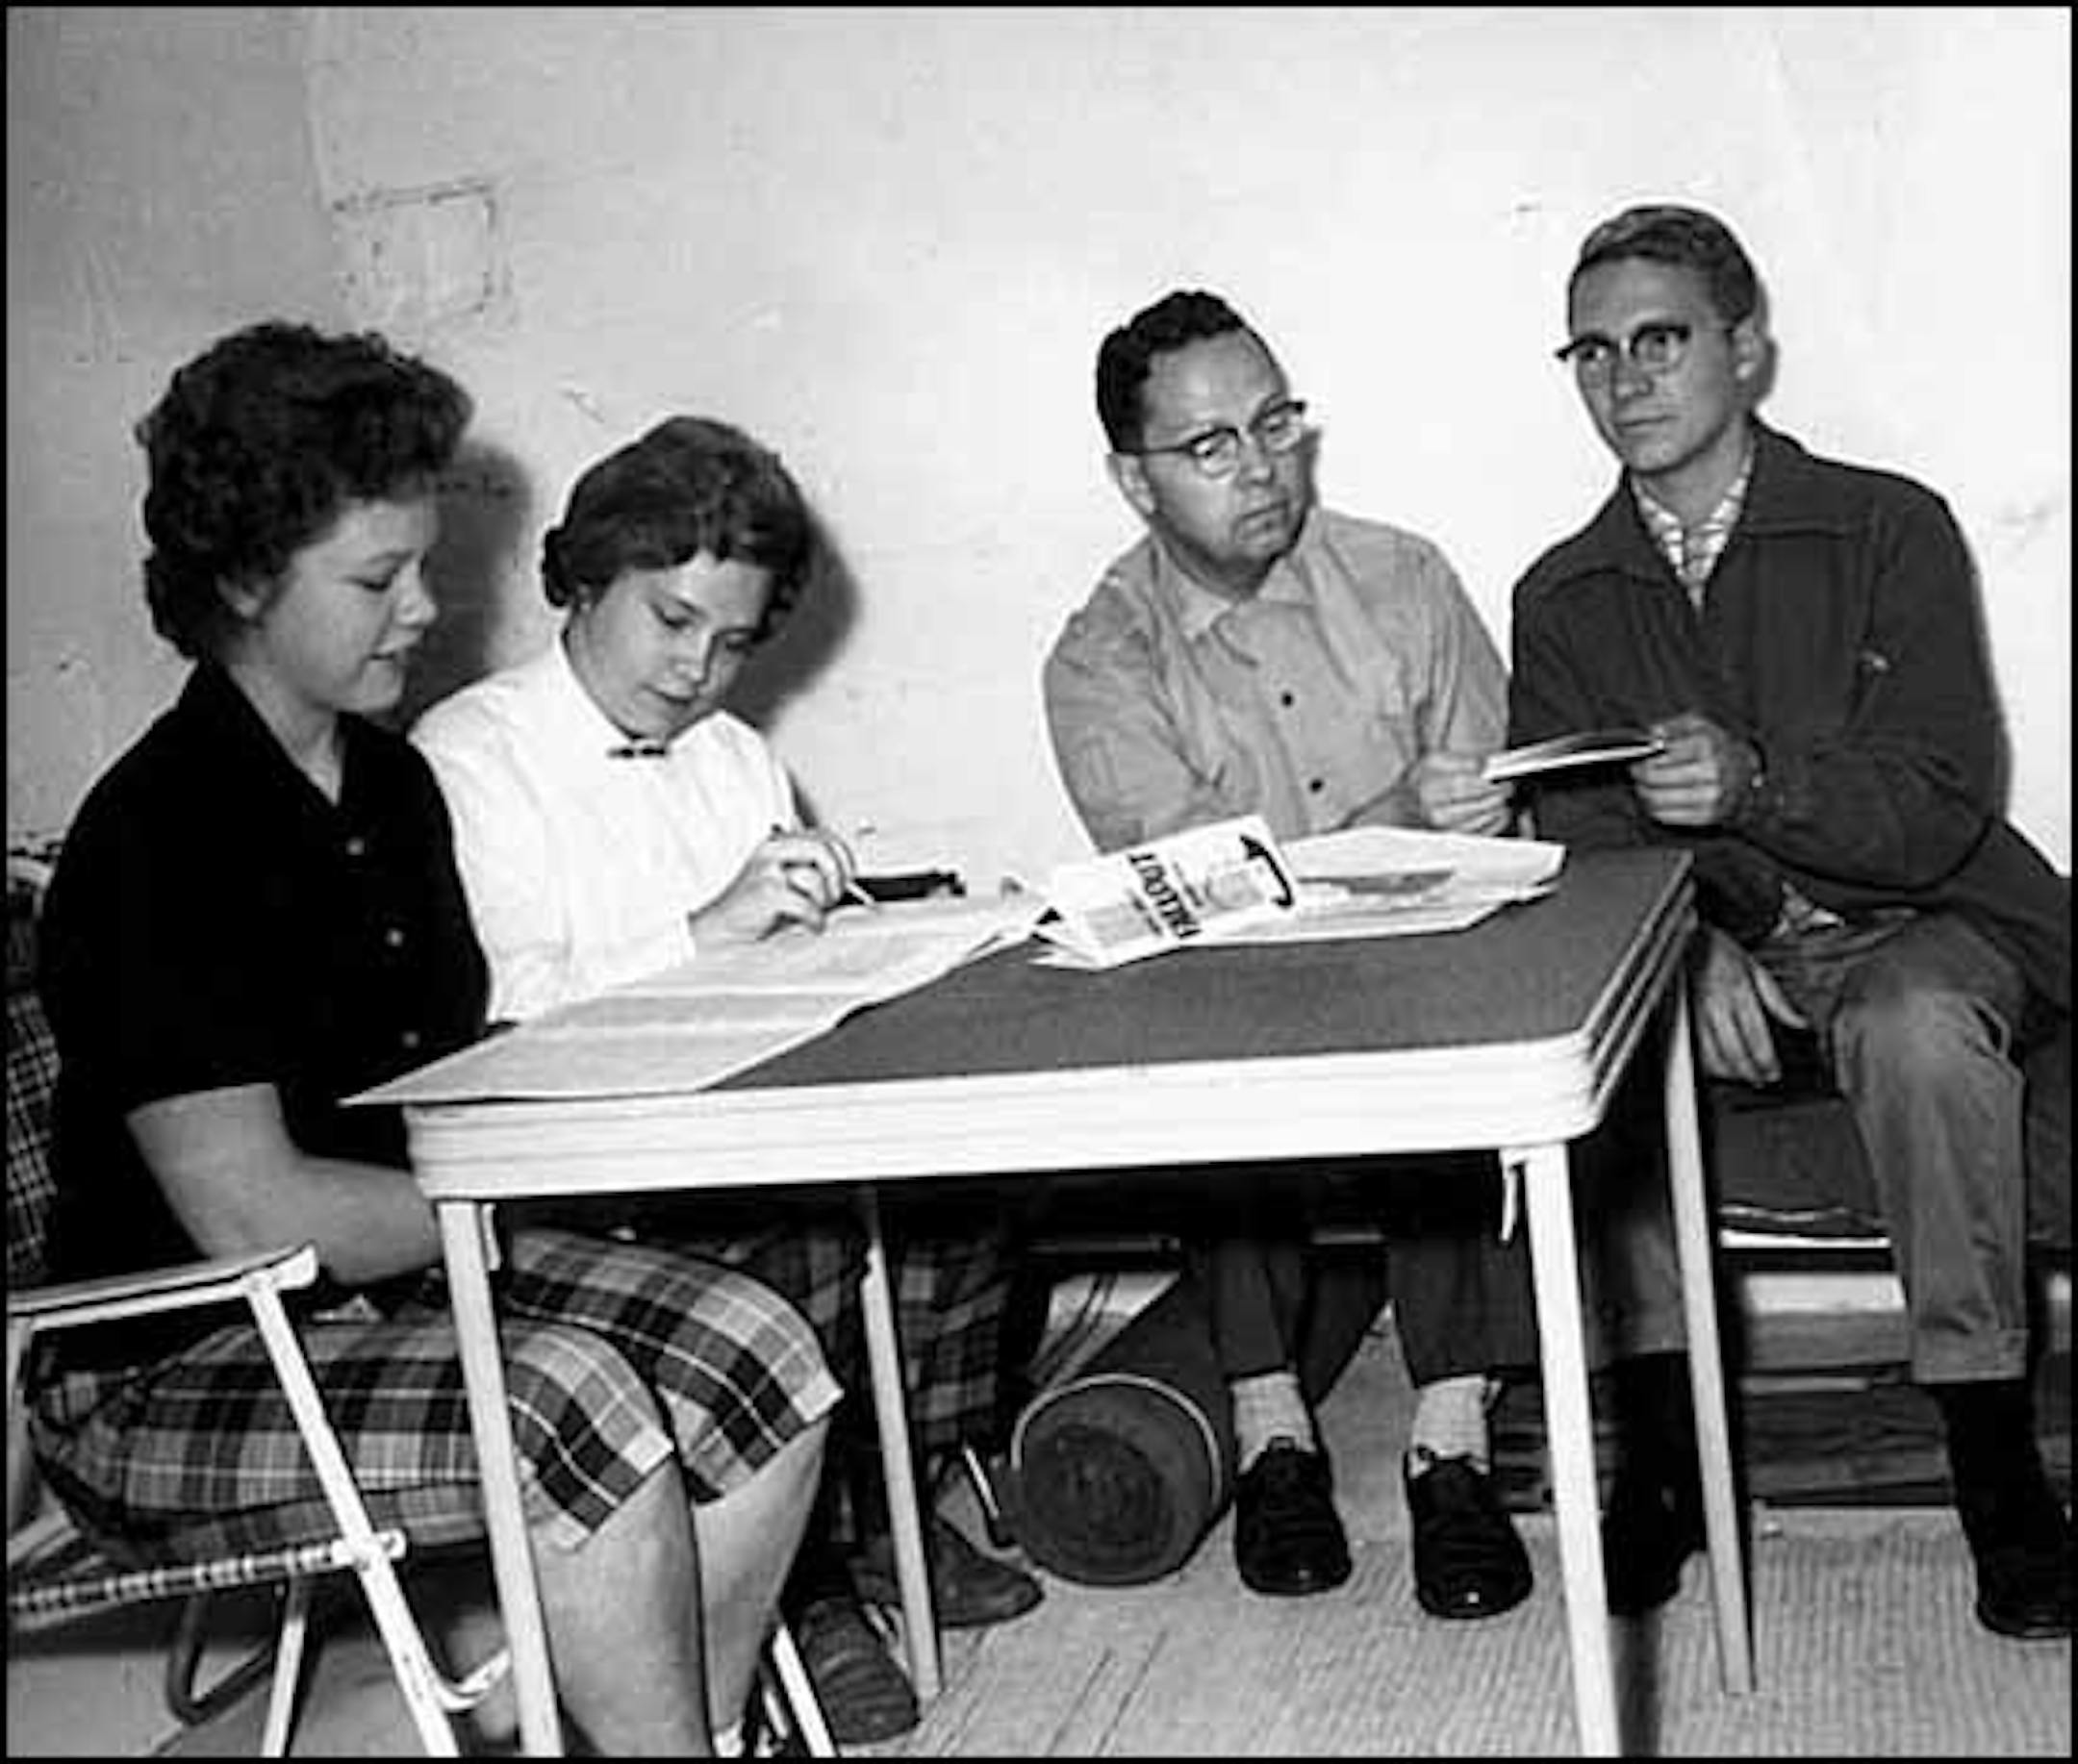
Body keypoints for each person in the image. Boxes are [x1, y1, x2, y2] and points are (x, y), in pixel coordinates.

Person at [29, 320, 842, 1756]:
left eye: (424, 566)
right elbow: (255, 1214)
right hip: (176, 1353)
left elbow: (461, 1075)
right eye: (377, 579)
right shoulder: (159, 839)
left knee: (763, 1352)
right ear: (242, 581)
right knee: (574, 1405)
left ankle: (675, 1734)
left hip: (391, 1278)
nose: (423, 607)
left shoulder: (394, 790)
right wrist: (533, 1198)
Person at [412, 413, 1042, 1743]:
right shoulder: (471, 753)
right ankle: (804, 1585)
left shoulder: (737, 757)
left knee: (961, 1195)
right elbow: (498, 1013)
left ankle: (878, 1515)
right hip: (566, 1172)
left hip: (717, 1127)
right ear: (584, 578)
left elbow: (791, 970)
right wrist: (708, 931)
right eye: (671, 620)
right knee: (790, 1236)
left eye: (735, 641)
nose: (698, 668)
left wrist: (862, 945)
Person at [1508, 202, 2072, 1639]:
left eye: (1660, 339)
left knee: (1918, 1023)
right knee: (1600, 1046)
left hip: (1927, 919)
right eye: (1591, 351)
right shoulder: (1561, 594)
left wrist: (1757, 782)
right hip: (1723, 948)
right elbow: (1580, 837)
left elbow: (1943, 795)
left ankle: (1995, 1468)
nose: (1625, 378)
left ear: (1746, 350)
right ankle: (1664, 1454)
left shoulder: (1888, 525)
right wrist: (1683, 941)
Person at [1041, 288, 1548, 1620]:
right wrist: (1399, 820)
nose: (1261, 467)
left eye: (1274, 424)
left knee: (1469, 1015)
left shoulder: (1407, 579)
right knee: (1201, 1032)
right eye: (1211, 446)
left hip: (1427, 982)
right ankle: (1273, 1431)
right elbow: (1204, 895)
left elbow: (1501, 830)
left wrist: (1462, 827)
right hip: (1243, 1000)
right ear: (1134, 480)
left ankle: (1451, 1437)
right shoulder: (1099, 659)